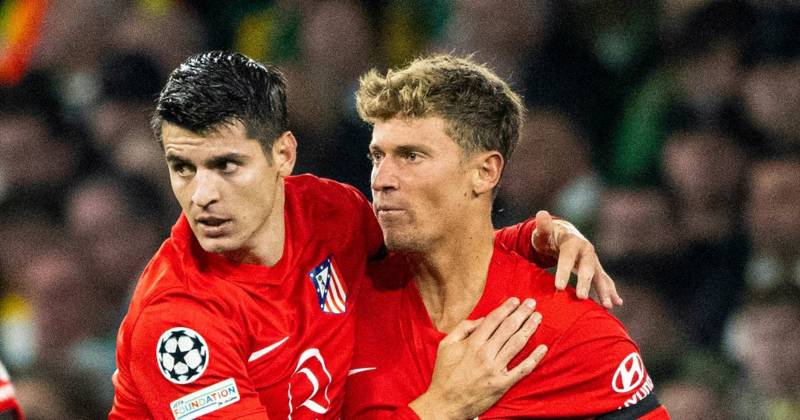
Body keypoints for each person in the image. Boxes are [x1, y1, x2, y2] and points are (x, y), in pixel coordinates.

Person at [110, 51, 620, 419]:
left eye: (226, 165)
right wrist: (441, 407)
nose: (202, 195)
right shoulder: (178, 325)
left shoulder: (330, 214)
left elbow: (434, 244)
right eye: (182, 167)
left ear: (283, 155)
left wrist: (537, 237)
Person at [344, 55, 669, 419]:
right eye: (377, 157)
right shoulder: (341, 300)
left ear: (485, 172)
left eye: (411, 156)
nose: (381, 180)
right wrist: (441, 408)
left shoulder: (573, 334)